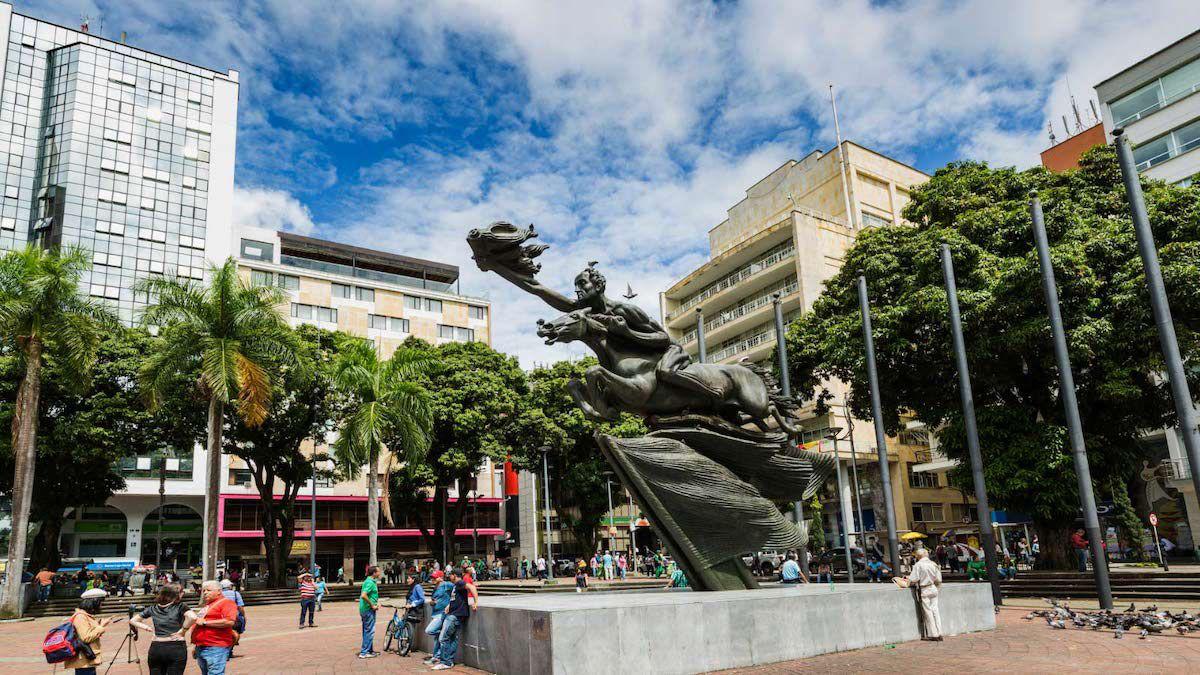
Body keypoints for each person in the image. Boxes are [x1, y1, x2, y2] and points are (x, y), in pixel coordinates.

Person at [130, 583, 195, 675]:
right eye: (181, 592)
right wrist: (183, 630)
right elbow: (193, 617)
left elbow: (133, 620)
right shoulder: (180, 606)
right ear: (176, 594)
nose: (183, 594)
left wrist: (146, 627)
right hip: (176, 646)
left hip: (156, 647)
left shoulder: (153, 608)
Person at [429, 569, 478, 670]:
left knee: (443, 638)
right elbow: (455, 599)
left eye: (450, 575)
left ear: (455, 575)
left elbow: (472, 587)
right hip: (454, 614)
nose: (449, 576)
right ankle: (449, 661)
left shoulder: (459, 583)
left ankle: (445, 662)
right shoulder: (456, 586)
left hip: (455, 615)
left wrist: (475, 602)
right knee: (452, 638)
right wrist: (449, 606)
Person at [191, 580, 238, 675]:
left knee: (215, 673)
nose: (205, 593)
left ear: (219, 591)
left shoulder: (226, 603)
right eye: (204, 590)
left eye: (208, 590)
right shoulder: (208, 605)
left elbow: (229, 621)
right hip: (202, 646)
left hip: (215, 646)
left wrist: (205, 622)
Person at [64, 588, 111, 674]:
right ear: (93, 602)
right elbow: (86, 637)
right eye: (100, 603)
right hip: (84, 660)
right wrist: (101, 626)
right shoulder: (80, 617)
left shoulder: (85, 615)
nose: (101, 606)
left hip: (87, 658)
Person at [904, 548, 943, 641]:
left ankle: (934, 634)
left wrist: (907, 580)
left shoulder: (918, 565)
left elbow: (913, 579)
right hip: (933, 588)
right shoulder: (933, 564)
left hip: (925, 589)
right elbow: (939, 579)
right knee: (935, 610)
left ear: (918, 556)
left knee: (928, 612)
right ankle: (940, 632)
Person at [357, 565, 382, 659]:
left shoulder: (370, 581)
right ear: (374, 573)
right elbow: (363, 595)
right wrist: (372, 604)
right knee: (369, 631)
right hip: (368, 610)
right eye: (378, 571)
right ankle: (364, 652)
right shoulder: (370, 582)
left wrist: (376, 602)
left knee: (367, 630)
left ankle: (369, 650)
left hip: (366, 609)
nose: (380, 573)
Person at [218, 579, 246, 649]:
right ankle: (233, 644)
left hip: (221, 618)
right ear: (230, 586)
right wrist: (243, 616)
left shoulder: (218, 594)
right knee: (237, 630)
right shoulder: (236, 594)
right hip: (234, 617)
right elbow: (240, 607)